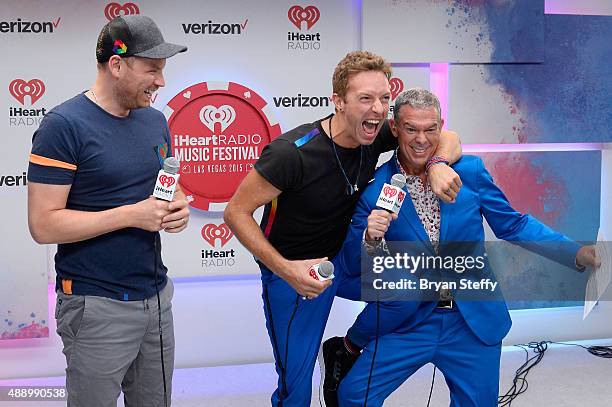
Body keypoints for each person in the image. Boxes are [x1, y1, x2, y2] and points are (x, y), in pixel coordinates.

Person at [320, 88, 600, 407]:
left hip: (470, 321)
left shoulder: (470, 172)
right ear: (395, 129)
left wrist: (575, 253)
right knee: (353, 395)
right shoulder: (375, 191)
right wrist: (371, 238)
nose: (421, 140)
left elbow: (513, 224)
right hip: (410, 320)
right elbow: (357, 266)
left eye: (430, 129)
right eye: (411, 129)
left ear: (442, 126)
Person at [224, 51, 463, 406]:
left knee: (410, 290)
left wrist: (439, 164)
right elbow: (236, 213)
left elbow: (449, 135)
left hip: (345, 260)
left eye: (384, 98)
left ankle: (345, 349)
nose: (379, 109)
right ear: (338, 102)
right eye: (365, 98)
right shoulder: (292, 153)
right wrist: (286, 270)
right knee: (296, 387)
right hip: (297, 272)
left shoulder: (374, 134)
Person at [27, 15, 189, 407]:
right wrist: (131, 215)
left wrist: (178, 206)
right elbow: (43, 224)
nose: (161, 82)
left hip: (155, 300)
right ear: (117, 65)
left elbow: (165, 188)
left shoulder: (155, 122)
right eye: (152, 70)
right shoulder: (63, 126)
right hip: (94, 306)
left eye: (163, 71)